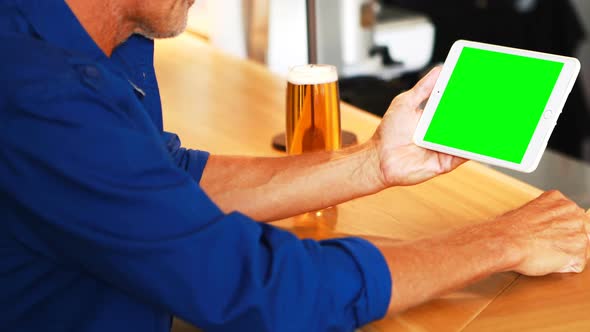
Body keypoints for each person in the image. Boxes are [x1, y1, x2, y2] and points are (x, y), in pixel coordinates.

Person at [0, 1, 588, 331]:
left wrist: (370, 164)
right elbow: (261, 288)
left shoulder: (101, 41)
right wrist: (500, 240)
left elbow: (163, 179)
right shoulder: (39, 88)